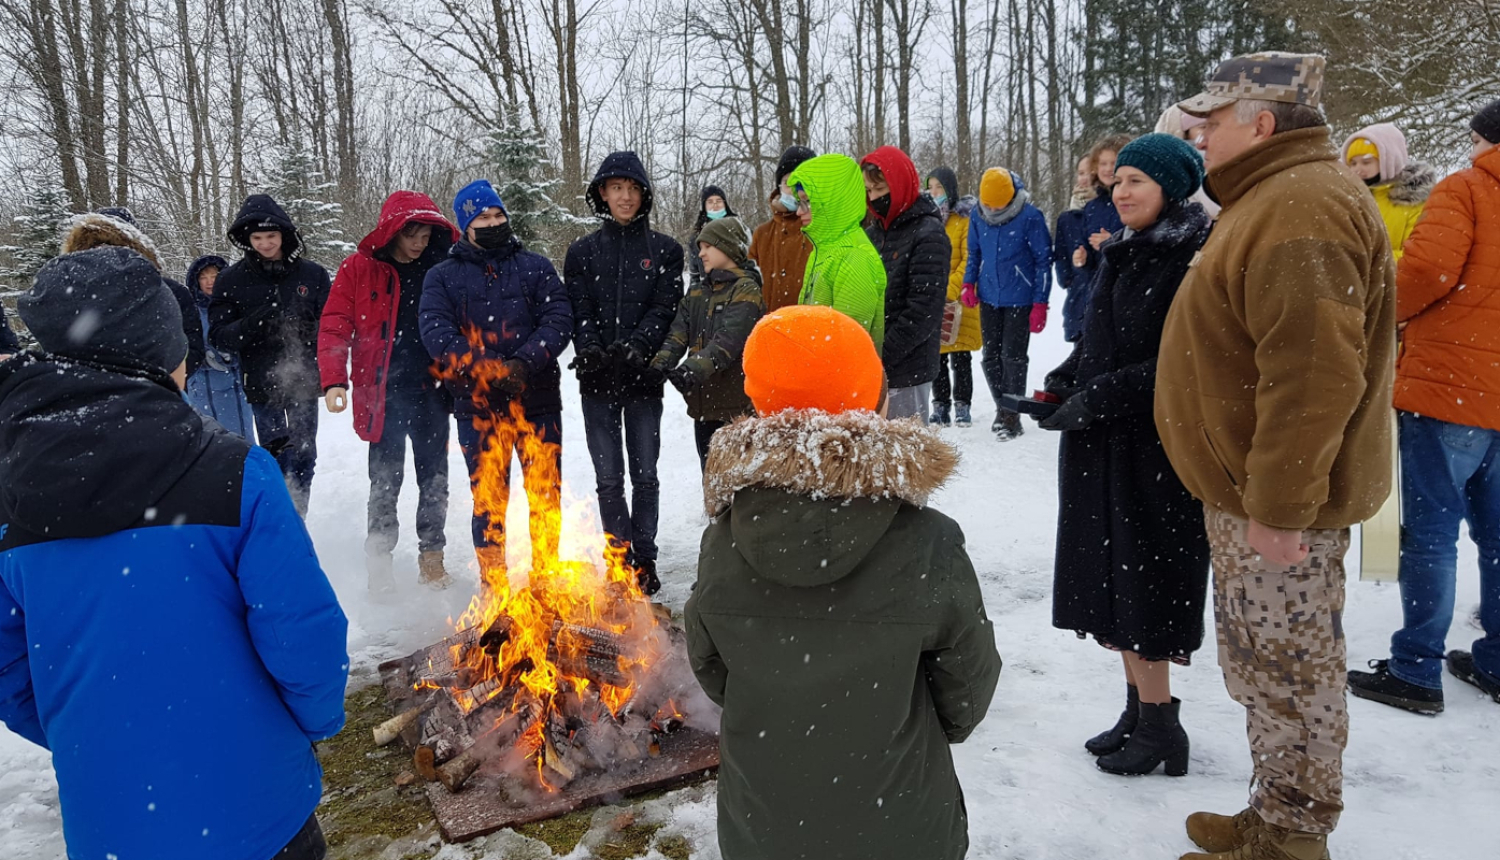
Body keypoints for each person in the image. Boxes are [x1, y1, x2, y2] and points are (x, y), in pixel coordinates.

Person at [0, 246, 349, 860]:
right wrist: (314, 723)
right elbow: (302, 632)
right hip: (258, 807)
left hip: (111, 821)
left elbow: (10, 671)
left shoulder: (10, 493)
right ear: (160, 352)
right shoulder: (238, 472)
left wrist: (95, 739)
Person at [1156, 52, 1395, 860]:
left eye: (1212, 121)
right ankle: (1274, 811)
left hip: (1278, 502)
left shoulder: (1301, 206)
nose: (1199, 136)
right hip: (1253, 492)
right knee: (1264, 668)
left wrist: (1281, 508)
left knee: (1292, 669)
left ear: (1261, 123)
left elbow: (1314, 374)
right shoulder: (1273, 195)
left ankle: (1294, 835)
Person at [685, 304, 1002, 860]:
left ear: (758, 408)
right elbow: (967, 688)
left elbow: (714, 671)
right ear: (875, 401)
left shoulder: (725, 540)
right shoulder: (929, 541)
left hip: (765, 828)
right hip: (902, 826)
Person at [1040, 133, 1213, 778]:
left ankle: (1163, 725)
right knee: (1111, 581)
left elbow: (1180, 364)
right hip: (1104, 446)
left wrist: (1098, 397)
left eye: (1137, 180)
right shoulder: (1123, 249)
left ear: (1172, 187)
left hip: (1155, 450)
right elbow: (1099, 342)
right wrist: (1062, 382)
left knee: (1146, 587)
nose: (1121, 191)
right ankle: (1140, 709)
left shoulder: (1191, 255)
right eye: (1117, 181)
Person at [1346, 100, 1500, 715]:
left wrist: (1384, 314)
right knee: (1497, 534)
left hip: (1451, 383)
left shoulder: (1467, 188)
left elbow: (1430, 269)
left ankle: (1416, 670)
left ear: (1484, 139)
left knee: (1431, 532)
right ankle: (1496, 660)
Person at [422, 180, 573, 585]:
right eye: (482, 218)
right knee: (488, 499)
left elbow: (559, 318)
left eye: (497, 215)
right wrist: (490, 368)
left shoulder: (535, 267)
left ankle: (546, 577)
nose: (492, 223)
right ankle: (494, 584)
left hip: (537, 399)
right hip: (477, 406)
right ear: (465, 226)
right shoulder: (442, 277)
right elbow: (437, 334)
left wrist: (524, 362)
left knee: (545, 494)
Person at [321, 191, 460, 592]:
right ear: (392, 232)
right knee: (384, 482)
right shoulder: (359, 268)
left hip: (434, 392)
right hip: (381, 395)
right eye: (411, 234)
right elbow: (334, 323)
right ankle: (379, 565)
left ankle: (432, 560)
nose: (419, 243)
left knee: (434, 480)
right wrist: (334, 379)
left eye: (426, 236)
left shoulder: (441, 269)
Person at [564, 152, 682, 596]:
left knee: (645, 475)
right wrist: (591, 349)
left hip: (643, 378)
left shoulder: (665, 251)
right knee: (609, 478)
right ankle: (618, 559)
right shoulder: (582, 252)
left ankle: (644, 559)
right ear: (602, 193)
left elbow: (664, 308)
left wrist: (638, 347)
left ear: (643, 195)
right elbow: (579, 309)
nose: (625, 197)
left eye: (632, 189)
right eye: (616, 188)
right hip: (597, 381)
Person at [209, 194, 332, 517]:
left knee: (305, 453)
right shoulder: (231, 280)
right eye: (257, 238)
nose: (265, 244)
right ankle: (280, 518)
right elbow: (219, 336)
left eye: (271, 236)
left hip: (304, 378)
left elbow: (333, 326)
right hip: (261, 381)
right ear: (247, 240)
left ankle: (298, 515)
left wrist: (311, 329)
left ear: (284, 235)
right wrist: (254, 323)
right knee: (276, 455)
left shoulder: (313, 274)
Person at [649, 215, 764, 469]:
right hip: (703, 407)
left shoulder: (746, 289)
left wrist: (692, 369)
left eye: (708, 246)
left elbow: (729, 340)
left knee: (736, 480)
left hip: (737, 409)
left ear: (727, 247)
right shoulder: (697, 292)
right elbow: (677, 335)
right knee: (710, 476)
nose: (701, 253)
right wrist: (658, 366)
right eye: (700, 247)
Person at [59, 207, 206, 379]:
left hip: (160, 389)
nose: (106, 253)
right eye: (96, 246)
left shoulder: (169, 291)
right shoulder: (69, 296)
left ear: (134, 248)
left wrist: (162, 375)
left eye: (116, 245)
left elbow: (192, 346)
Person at [961, 167, 1052, 440]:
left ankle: (1012, 416)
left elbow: (1043, 261)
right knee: (990, 356)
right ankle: (1002, 407)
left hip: (1020, 298)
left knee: (1013, 358)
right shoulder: (977, 215)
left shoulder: (1030, 217)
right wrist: (968, 282)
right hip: (989, 295)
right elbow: (974, 252)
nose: (991, 209)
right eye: (987, 204)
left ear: (1010, 197)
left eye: (997, 205)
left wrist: (1040, 303)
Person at [862, 146, 949, 421]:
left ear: (899, 184)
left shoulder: (928, 233)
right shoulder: (873, 233)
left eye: (880, 189)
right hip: (873, 365)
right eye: (869, 191)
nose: (874, 198)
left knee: (904, 446)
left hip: (909, 368)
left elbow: (923, 311)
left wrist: (882, 354)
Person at [786, 153, 888, 349]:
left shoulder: (855, 257)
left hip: (836, 368)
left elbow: (845, 345)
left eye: (808, 202)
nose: (799, 212)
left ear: (832, 202)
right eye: (799, 203)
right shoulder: (823, 250)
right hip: (816, 365)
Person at [926, 167, 981, 426]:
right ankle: (940, 406)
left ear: (949, 189)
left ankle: (962, 405)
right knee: (936, 357)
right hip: (933, 300)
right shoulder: (928, 221)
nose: (934, 192)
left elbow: (968, 259)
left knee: (961, 357)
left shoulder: (964, 220)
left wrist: (947, 290)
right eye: (930, 187)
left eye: (939, 187)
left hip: (959, 301)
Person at [184, 254, 256, 440]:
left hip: (234, 383)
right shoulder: (189, 310)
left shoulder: (237, 305)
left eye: (214, 276)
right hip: (201, 384)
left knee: (240, 437)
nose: (209, 282)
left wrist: (232, 354)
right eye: (203, 277)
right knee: (207, 438)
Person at [1342, 123, 1435, 261]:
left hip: (1390, 274)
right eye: (1353, 163)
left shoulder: (1413, 199)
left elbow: (1418, 254)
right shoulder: (1347, 197)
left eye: (1366, 162)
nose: (1358, 169)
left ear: (1389, 160)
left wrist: (1370, 262)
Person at [748, 145, 817, 314]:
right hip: (769, 324)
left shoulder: (821, 229)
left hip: (810, 324)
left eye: (799, 183)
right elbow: (748, 285)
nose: (793, 190)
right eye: (787, 183)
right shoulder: (762, 235)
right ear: (779, 186)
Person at [1070, 133, 1133, 311]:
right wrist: (1082, 259)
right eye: (1103, 163)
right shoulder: (1092, 207)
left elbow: (1145, 244)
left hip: (1129, 290)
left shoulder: (1134, 199)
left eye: (1114, 162)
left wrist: (1113, 244)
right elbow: (1088, 249)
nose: (1108, 169)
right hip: (1098, 292)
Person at [1054, 156, 1096, 343]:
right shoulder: (1066, 218)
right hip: (1077, 299)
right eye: (1081, 173)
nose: (1085, 178)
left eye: (1090, 173)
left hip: (1105, 299)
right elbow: (1060, 254)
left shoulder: (1115, 211)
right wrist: (1067, 279)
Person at [686, 185, 737, 288]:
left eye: (719, 201)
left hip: (738, 289)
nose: (715, 205)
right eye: (710, 202)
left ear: (725, 204)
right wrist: (695, 295)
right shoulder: (696, 237)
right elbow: (695, 275)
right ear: (704, 206)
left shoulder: (739, 230)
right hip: (709, 291)